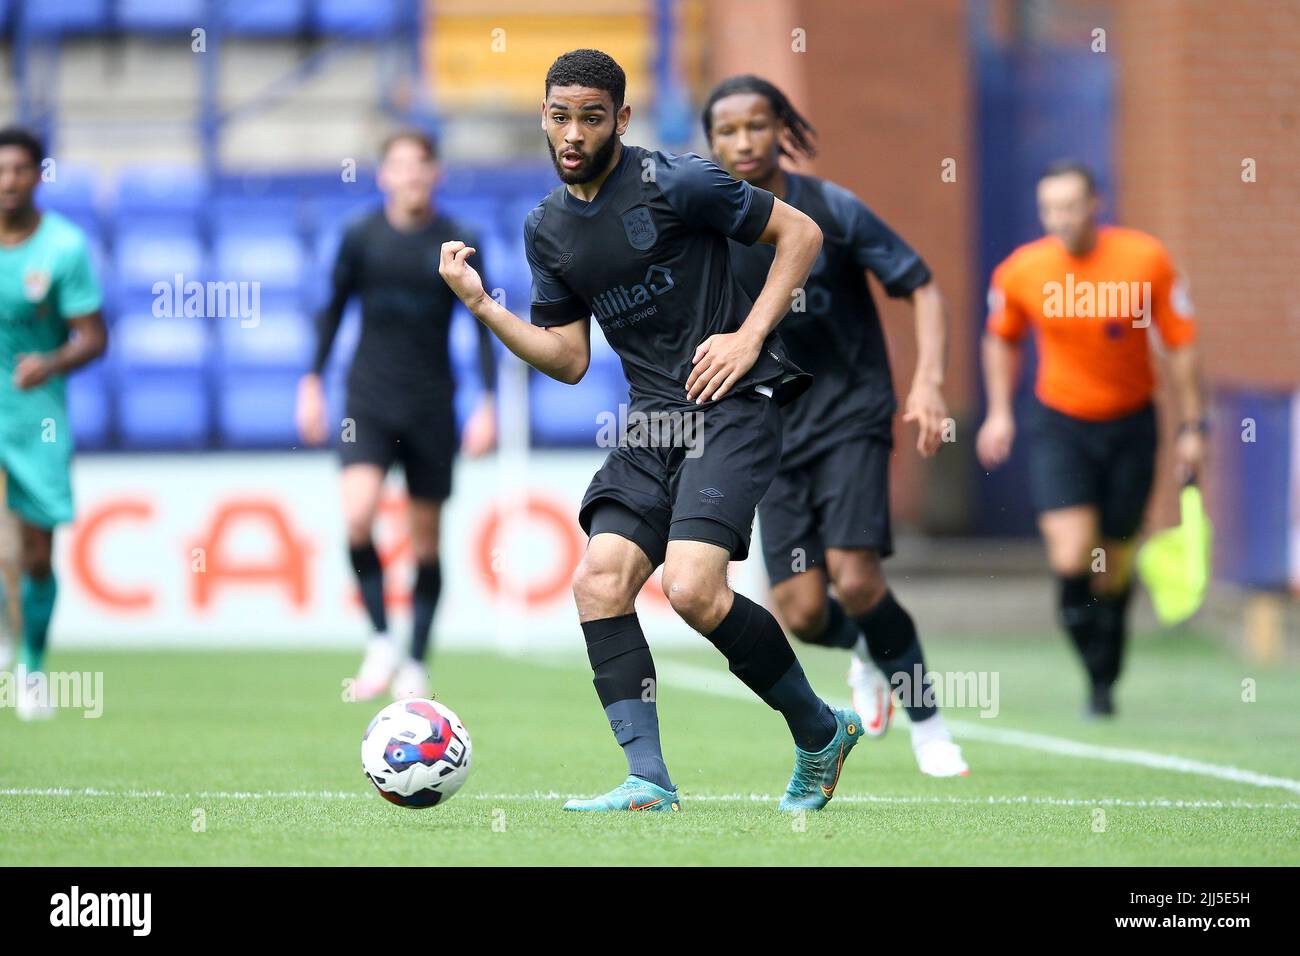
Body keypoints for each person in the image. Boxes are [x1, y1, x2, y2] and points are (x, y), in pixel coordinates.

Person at [438, 49, 863, 812]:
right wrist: (482, 305)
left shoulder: (678, 180)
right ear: (543, 115)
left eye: (591, 117)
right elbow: (568, 360)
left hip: (733, 399)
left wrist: (747, 336)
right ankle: (648, 779)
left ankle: (817, 731)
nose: (573, 132)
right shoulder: (547, 229)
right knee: (599, 581)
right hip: (652, 418)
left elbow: (799, 235)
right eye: (560, 115)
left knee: (693, 588)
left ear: (621, 120)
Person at [706, 75, 968, 776]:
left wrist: (929, 381)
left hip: (852, 416)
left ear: (781, 129)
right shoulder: (707, 226)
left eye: (756, 126)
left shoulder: (832, 209)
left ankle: (930, 726)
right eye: (726, 132)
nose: (742, 142)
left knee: (856, 580)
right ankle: (867, 653)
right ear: (710, 144)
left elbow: (920, 286)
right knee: (801, 611)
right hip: (770, 434)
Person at [976, 160, 1204, 717]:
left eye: (1070, 206)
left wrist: (1192, 427)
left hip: (1131, 424)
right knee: (1073, 553)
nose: (1061, 219)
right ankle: (1095, 673)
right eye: (1050, 209)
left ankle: (1108, 672)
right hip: (1061, 424)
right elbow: (1001, 339)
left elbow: (1179, 345)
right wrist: (1000, 412)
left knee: (1113, 560)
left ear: (1095, 205)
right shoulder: (1022, 270)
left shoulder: (1145, 259)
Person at [296, 130, 498, 702]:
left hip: (433, 402)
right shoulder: (361, 238)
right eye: (399, 165)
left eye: (421, 165)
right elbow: (332, 311)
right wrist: (311, 382)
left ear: (436, 173)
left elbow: (483, 319)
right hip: (368, 400)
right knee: (357, 517)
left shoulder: (460, 243)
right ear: (383, 175)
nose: (410, 175)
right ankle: (382, 639)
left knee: (425, 541)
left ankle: (416, 660)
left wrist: (486, 402)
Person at [0, 125, 108, 719]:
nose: (8, 181)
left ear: (37, 176)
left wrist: (51, 361)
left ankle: (32, 666)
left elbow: (94, 337)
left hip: (36, 417)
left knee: (36, 554)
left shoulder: (63, 248)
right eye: (0, 170)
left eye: (18, 170)